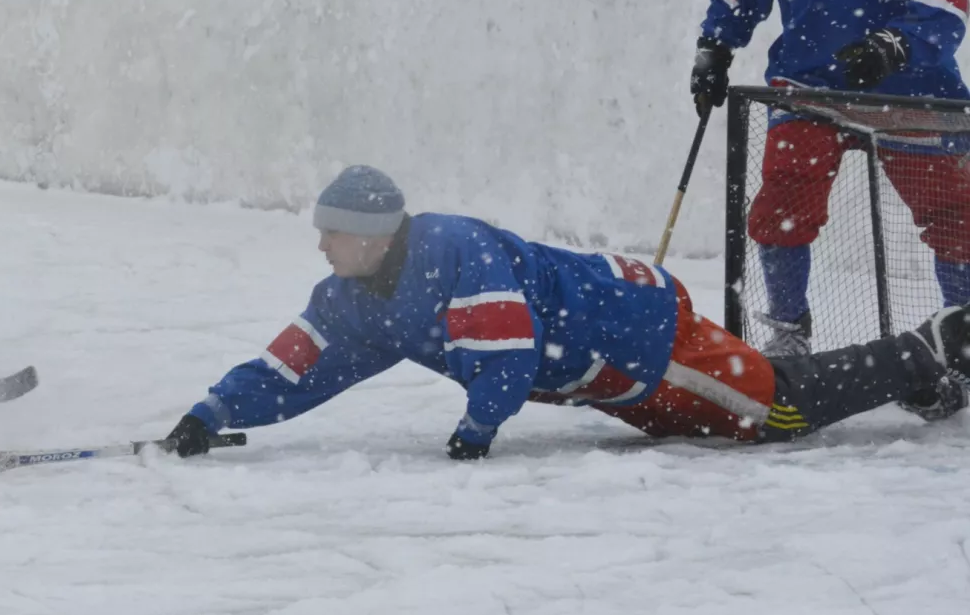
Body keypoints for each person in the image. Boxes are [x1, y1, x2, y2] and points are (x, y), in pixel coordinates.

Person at [161, 165, 970, 460]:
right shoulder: (353, 296)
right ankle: (921, 371)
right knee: (729, 422)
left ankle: (929, 349)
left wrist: (477, 430)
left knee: (775, 413)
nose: (321, 249)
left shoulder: (454, 248)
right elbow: (302, 361)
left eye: (332, 235)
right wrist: (216, 409)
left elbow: (505, 353)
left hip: (641, 329)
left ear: (372, 236)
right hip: (607, 374)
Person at [690, 0, 970, 361]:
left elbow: (948, 4)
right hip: (808, 89)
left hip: (911, 93)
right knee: (782, 206)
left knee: (953, 215)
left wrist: (894, 44)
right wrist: (714, 49)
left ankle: (963, 330)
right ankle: (789, 332)